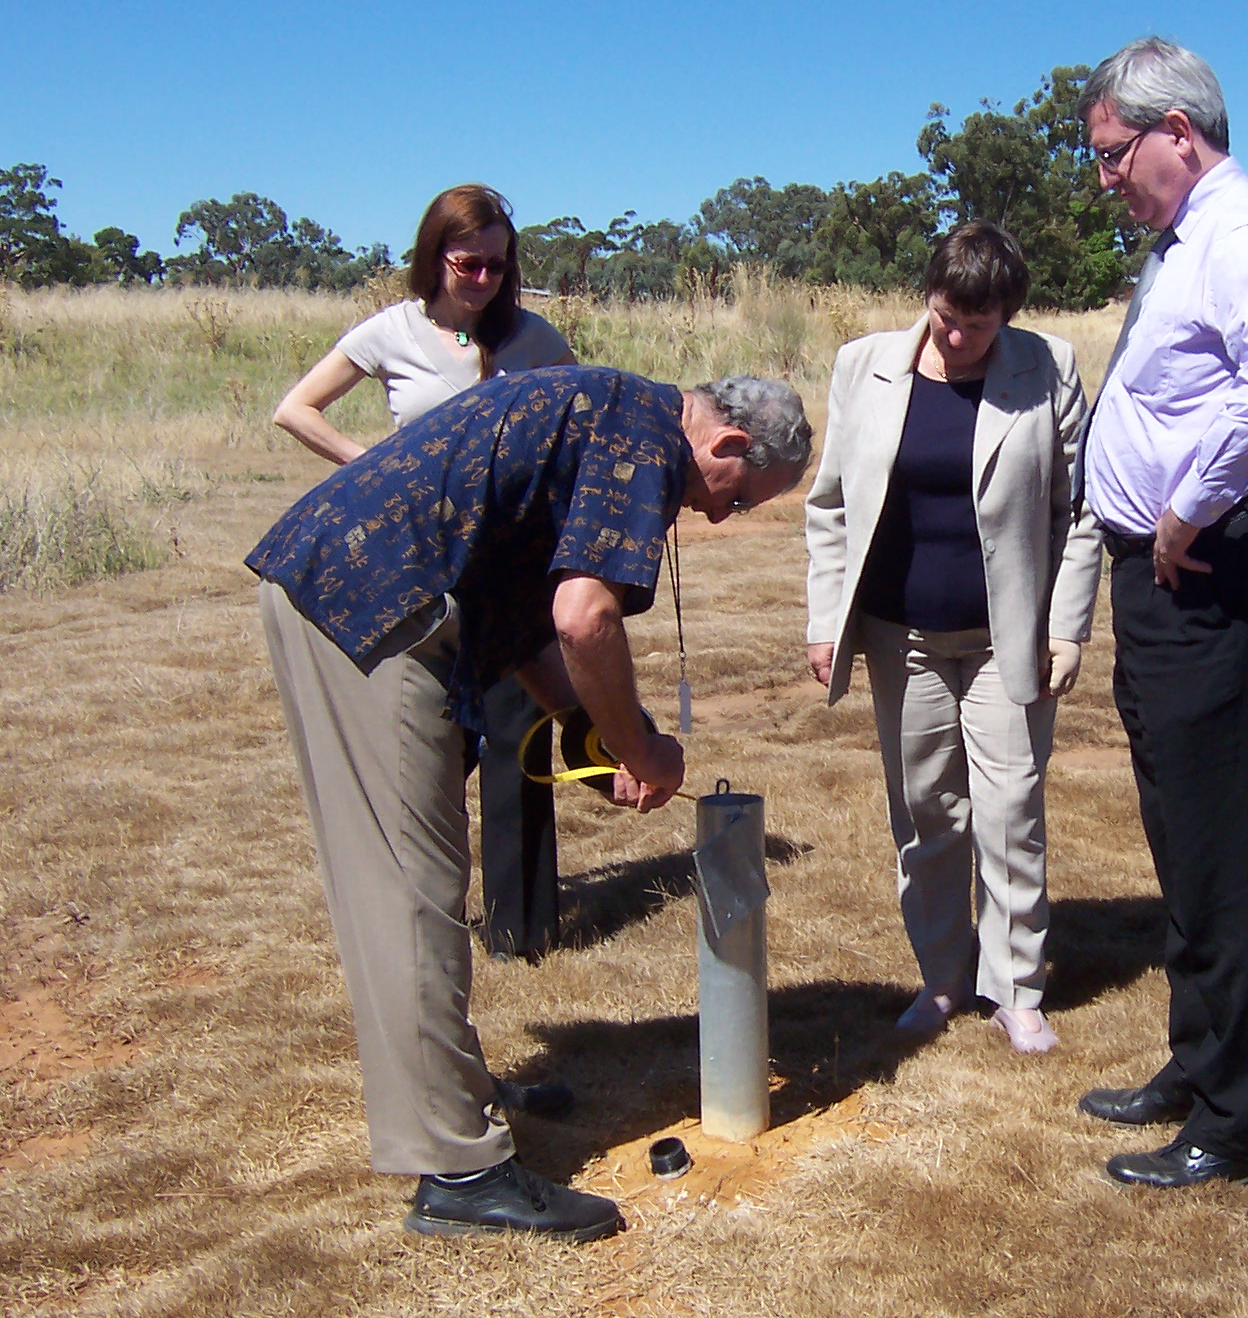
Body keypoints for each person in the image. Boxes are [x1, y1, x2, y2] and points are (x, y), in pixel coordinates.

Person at [247, 367, 811, 1240]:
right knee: (409, 892)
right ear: (727, 444)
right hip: (366, 606)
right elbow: (585, 618)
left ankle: (454, 1089)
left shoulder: (619, 417)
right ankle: (458, 1172)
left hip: (381, 597)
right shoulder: (644, 442)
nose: (720, 516)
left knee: (424, 876)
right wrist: (639, 745)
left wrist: (595, 732)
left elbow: (528, 628)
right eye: (739, 497)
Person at [1070, 38, 1248, 1187]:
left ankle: (1243, 1119)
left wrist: (1183, 506)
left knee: (1223, 843)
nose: (1105, 177)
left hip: (1213, 565)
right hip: (1166, 574)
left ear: (1178, 130)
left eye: (1113, 153)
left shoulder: (1239, 229)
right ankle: (1202, 1058)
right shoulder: (1184, 243)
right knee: (1184, 831)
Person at [804, 222, 1102, 1055]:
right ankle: (941, 976)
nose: (961, 337)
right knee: (927, 810)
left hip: (1009, 640)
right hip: (903, 637)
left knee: (1011, 812)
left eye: (979, 323)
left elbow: (1075, 512)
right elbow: (829, 506)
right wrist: (827, 618)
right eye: (946, 318)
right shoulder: (862, 366)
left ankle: (1016, 988)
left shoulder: (1047, 367)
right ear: (927, 300)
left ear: (1008, 312)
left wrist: (1065, 629)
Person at [271, 184, 578, 960]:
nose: (484, 280)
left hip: (510, 562)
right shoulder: (390, 332)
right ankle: (434, 919)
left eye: (500, 267)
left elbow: (577, 420)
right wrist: (373, 466)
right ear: (434, 256)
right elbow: (295, 408)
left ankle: (524, 928)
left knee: (523, 731)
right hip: (424, 571)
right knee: (435, 748)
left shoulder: (535, 341)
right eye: (470, 263)